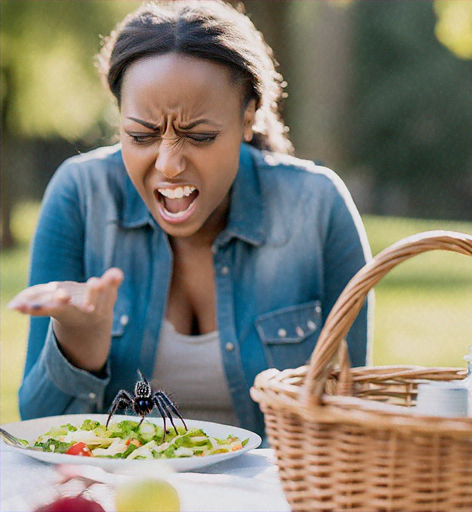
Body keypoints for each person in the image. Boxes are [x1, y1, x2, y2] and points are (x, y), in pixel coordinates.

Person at [9, 0, 372, 438]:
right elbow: (38, 425)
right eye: (141, 135)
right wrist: (77, 350)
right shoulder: (81, 197)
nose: (168, 164)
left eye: (199, 136)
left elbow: (351, 414)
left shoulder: (317, 207)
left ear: (247, 117)